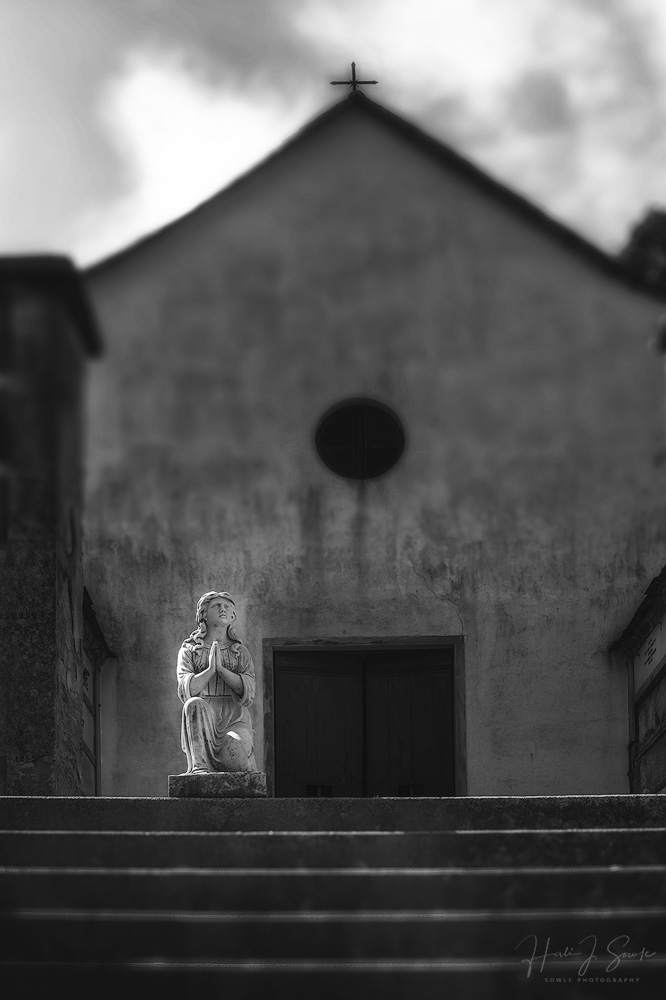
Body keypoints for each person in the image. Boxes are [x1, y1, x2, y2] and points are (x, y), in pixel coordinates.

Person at [177, 591, 258, 774]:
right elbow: (186, 689)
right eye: (216, 606)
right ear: (204, 614)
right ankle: (199, 766)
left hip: (234, 718)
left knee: (235, 760)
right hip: (203, 718)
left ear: (232, 616)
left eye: (226, 606)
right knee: (193, 703)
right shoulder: (189, 650)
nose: (222, 609)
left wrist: (222, 670)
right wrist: (210, 670)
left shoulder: (240, 652)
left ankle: (244, 760)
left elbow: (248, 692)